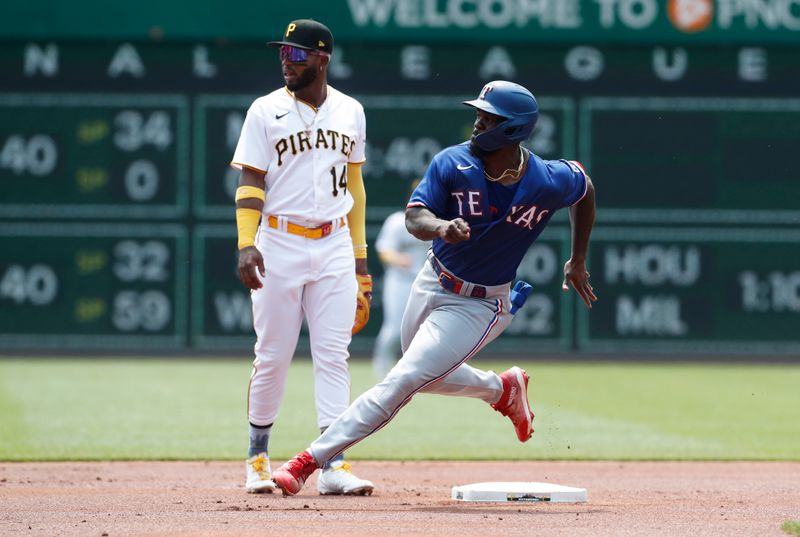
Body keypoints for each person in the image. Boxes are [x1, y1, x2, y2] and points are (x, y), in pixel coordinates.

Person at [270, 80, 597, 496]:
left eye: (488, 117)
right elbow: (415, 218)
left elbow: (584, 188)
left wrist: (579, 258)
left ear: (514, 129)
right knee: (422, 374)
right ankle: (502, 389)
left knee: (404, 378)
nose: (478, 122)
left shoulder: (547, 179)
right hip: (431, 280)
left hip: (480, 305)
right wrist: (442, 226)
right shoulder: (452, 162)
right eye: (479, 113)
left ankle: (307, 461)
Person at [231, 18, 374, 496]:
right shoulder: (264, 110)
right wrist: (245, 242)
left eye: (296, 54)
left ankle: (333, 463)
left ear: (322, 58)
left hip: (334, 242)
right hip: (279, 241)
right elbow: (250, 181)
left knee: (333, 355)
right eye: (282, 53)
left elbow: (355, 188)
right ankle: (257, 455)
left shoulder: (351, 111)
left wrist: (360, 262)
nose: (286, 61)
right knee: (272, 355)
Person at [372, 192, 431, 378]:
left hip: (426, 282)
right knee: (395, 328)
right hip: (399, 280)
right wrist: (397, 259)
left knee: (426, 329)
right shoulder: (397, 221)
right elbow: (383, 250)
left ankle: (419, 370)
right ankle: (381, 366)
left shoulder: (436, 222)